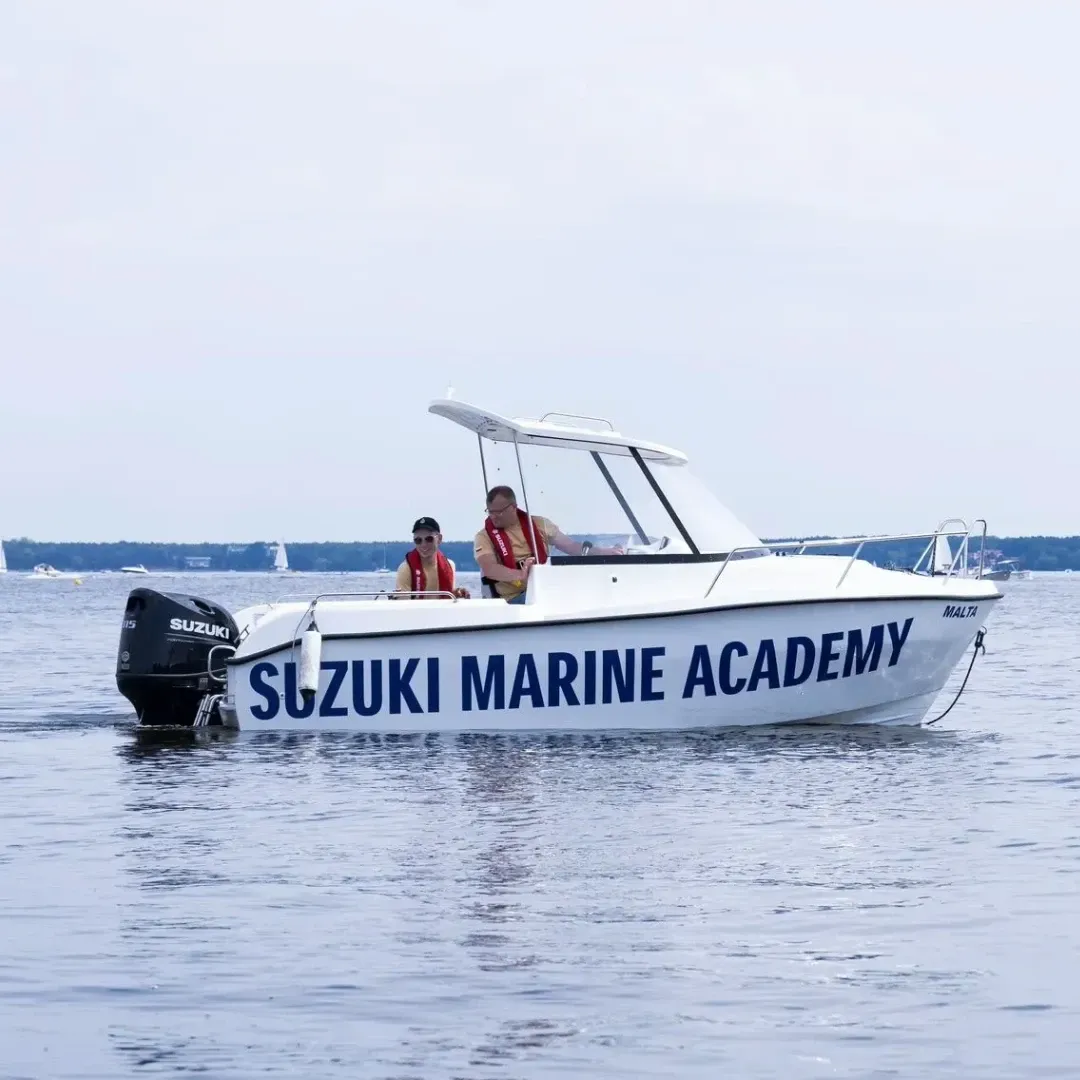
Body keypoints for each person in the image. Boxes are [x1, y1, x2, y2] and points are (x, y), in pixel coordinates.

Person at [474, 485, 623, 604]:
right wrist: (521, 574)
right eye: (490, 512)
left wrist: (603, 552)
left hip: (545, 591)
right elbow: (490, 569)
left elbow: (571, 546)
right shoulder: (483, 537)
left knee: (586, 594)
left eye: (499, 512)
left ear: (513, 507)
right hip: (515, 599)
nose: (493, 517)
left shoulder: (540, 525)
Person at [394, 517, 470, 599]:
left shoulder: (450, 565)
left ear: (439, 539)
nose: (423, 544)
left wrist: (458, 594)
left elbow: (449, 598)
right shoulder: (405, 569)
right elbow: (403, 605)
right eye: (418, 540)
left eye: (429, 539)